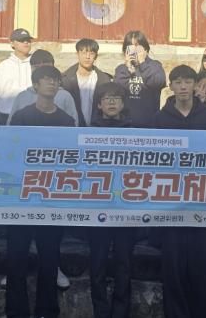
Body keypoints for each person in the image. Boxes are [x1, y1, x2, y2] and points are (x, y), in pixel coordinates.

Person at [6, 65, 75, 318]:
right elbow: (9, 151)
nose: (51, 83)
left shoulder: (66, 121)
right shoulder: (22, 116)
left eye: (55, 80)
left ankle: (47, 310)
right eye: (46, 79)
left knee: (49, 258)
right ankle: (16, 311)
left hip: (52, 198)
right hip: (22, 196)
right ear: (35, 85)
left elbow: (72, 157)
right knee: (16, 257)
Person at [153, 65, 206, 318]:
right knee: (173, 271)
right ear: (171, 86)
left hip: (203, 202)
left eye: (187, 81)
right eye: (178, 82)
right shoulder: (159, 119)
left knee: (204, 269)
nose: (183, 86)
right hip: (171, 203)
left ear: (195, 85)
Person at [88, 82, 135, 318]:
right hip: (97, 205)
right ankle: (100, 311)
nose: (112, 102)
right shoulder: (86, 132)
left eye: (116, 98)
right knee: (97, 263)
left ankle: (121, 312)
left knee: (124, 264)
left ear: (123, 103)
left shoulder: (136, 132)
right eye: (107, 98)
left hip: (126, 206)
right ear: (99, 104)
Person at [8, 49, 78, 126]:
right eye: (36, 67)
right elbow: (11, 127)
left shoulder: (64, 96)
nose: (41, 71)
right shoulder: (22, 97)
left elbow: (72, 126)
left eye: (45, 68)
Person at [115, 30, 166, 128]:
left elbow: (157, 83)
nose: (134, 52)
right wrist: (127, 68)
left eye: (137, 48)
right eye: (130, 48)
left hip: (149, 123)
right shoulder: (121, 69)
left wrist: (143, 64)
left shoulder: (155, 66)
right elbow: (117, 92)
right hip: (124, 124)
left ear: (145, 49)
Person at [61, 38, 112, 126]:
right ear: (77, 54)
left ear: (96, 56)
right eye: (84, 53)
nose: (87, 57)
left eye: (91, 53)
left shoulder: (103, 79)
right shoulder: (65, 79)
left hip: (97, 128)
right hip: (72, 128)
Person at [0, 28, 33, 125]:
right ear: (12, 44)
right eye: (22, 40)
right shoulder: (4, 65)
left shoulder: (35, 64)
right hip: (5, 113)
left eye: (28, 40)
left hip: (30, 114)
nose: (26, 43)